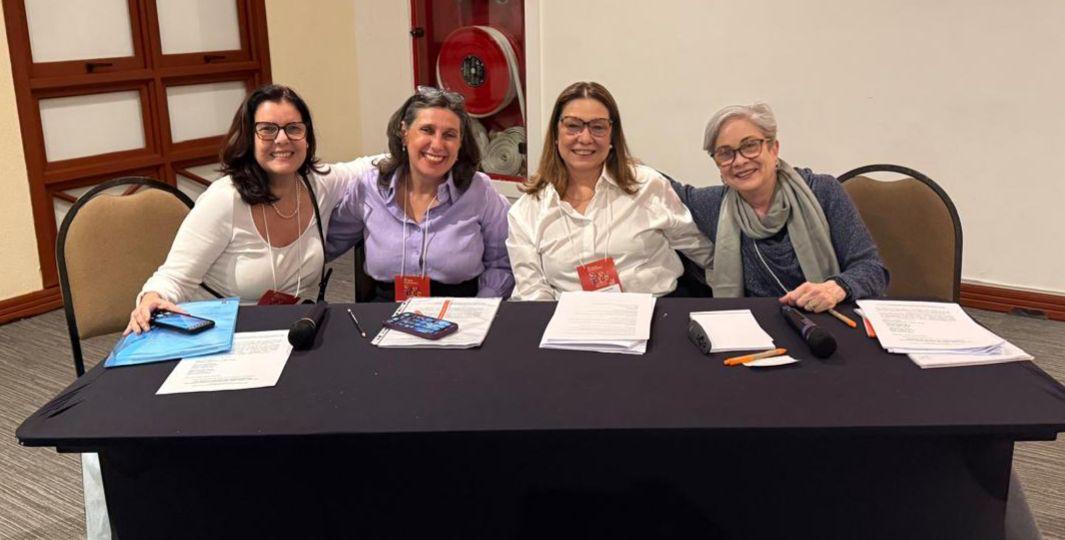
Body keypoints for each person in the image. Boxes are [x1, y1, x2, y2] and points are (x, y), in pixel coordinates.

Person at [126, 84, 376, 333]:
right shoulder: (224, 199)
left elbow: (370, 166)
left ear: (307, 139)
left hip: (286, 331)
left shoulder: (319, 183)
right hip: (220, 333)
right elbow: (173, 278)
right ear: (249, 138)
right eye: (267, 129)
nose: (282, 139)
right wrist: (151, 298)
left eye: (293, 128)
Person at [672, 102, 888, 311]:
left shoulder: (823, 191)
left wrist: (836, 289)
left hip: (825, 316)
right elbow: (660, 185)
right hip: (752, 325)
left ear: (773, 148)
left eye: (750, 146)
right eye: (725, 153)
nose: (739, 161)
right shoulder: (713, 205)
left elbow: (873, 270)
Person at [506, 81, 712, 300]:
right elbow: (533, 292)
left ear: (612, 136)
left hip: (656, 308)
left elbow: (701, 250)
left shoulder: (648, 186)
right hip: (572, 316)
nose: (585, 138)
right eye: (573, 125)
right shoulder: (527, 211)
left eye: (598, 127)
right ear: (556, 134)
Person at [325, 87, 513, 301]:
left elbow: (502, 264)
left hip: (458, 310)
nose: (437, 144)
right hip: (384, 309)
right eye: (427, 130)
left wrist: (479, 310)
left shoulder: (480, 191)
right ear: (404, 132)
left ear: (460, 143)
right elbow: (327, 244)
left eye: (449, 135)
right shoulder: (369, 187)